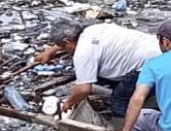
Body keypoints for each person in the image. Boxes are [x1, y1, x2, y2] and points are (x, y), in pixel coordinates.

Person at [32, 22, 160, 117]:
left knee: (118, 102)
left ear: (67, 41)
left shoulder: (83, 53)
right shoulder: (93, 29)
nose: (65, 51)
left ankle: (130, 130)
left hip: (149, 65)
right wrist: (52, 50)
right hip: (159, 49)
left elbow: (84, 89)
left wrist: (69, 102)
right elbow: (70, 42)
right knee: (103, 78)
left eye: (63, 47)